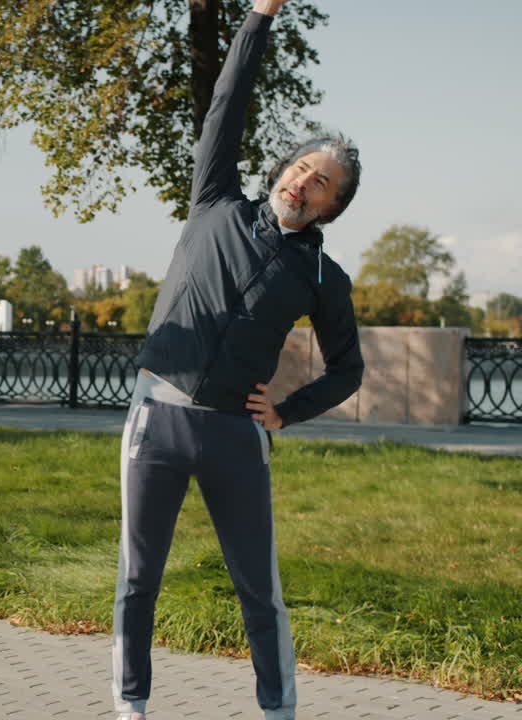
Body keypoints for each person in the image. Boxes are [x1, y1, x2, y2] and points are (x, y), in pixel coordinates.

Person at [109, 1, 364, 718]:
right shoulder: (214, 201)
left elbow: (348, 368)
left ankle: (277, 709)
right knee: (137, 578)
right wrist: (257, 17)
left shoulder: (322, 278)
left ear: (330, 207)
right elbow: (228, 102)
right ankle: (131, 705)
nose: (303, 183)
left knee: (259, 586)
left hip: (235, 436)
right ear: (282, 168)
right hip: (155, 419)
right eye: (301, 168)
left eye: (322, 183)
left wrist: (284, 412)